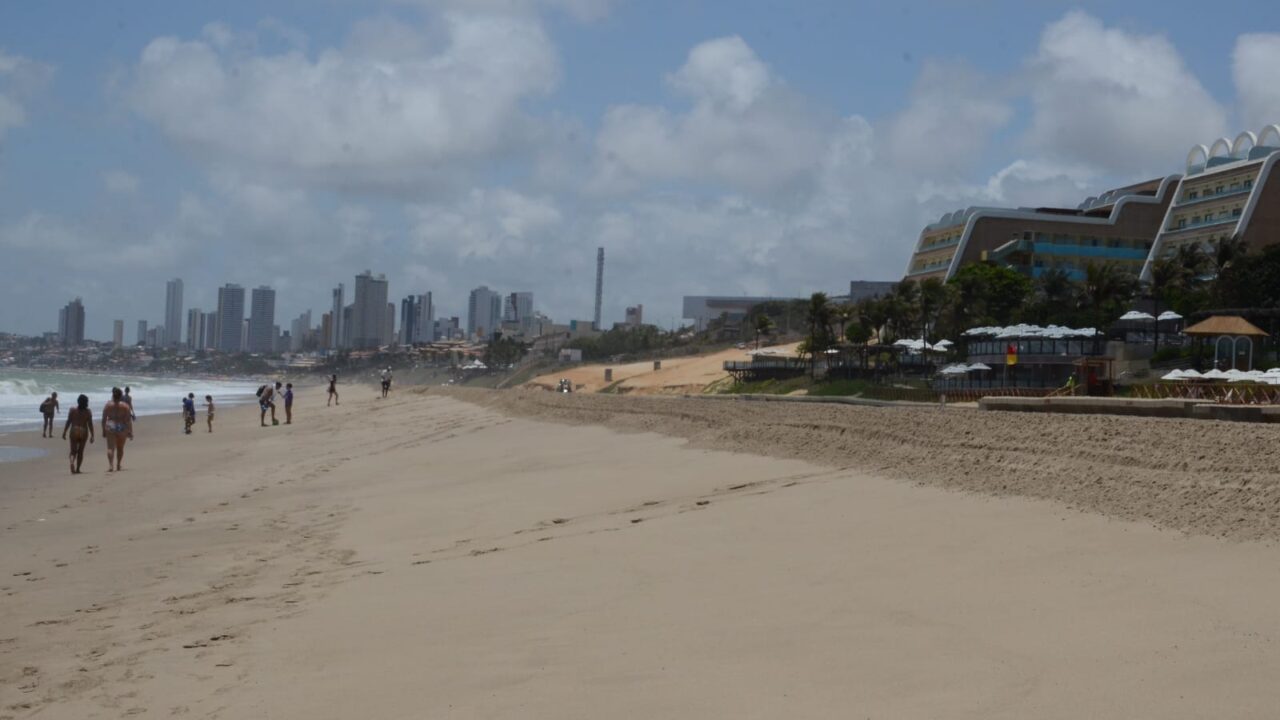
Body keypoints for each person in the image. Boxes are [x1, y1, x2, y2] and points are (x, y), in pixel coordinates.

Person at [101, 387, 133, 472]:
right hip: (121, 426)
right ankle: (118, 464)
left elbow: (104, 419)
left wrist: (103, 430)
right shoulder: (125, 406)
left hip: (111, 425)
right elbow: (128, 420)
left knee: (110, 447)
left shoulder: (108, 405)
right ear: (121, 396)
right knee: (120, 447)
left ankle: (111, 465)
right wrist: (130, 431)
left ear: (113, 395)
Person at [61, 394, 94, 474]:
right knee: (80, 451)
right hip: (83, 430)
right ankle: (78, 469)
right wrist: (92, 435)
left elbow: (68, 421)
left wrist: (64, 431)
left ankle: (72, 462)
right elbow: (90, 424)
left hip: (74, 429)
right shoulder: (88, 411)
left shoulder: (72, 410)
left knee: (73, 451)